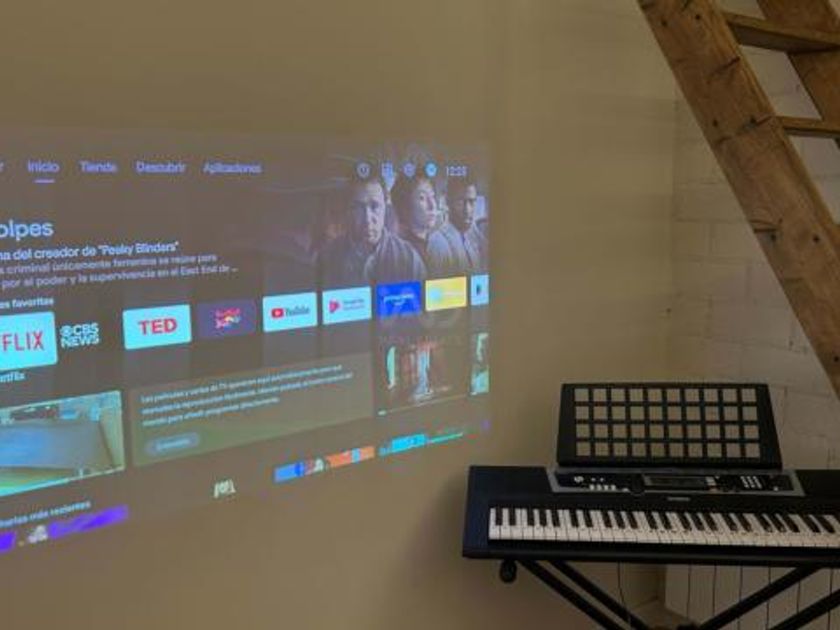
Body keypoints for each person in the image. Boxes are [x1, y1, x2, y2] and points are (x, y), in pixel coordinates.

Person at [319, 176, 426, 287]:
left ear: (385, 208)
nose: (367, 219)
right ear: (348, 210)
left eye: (375, 206)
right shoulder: (327, 258)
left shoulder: (409, 259)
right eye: (358, 208)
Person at [390, 174, 457, 278]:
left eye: (433, 196)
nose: (432, 206)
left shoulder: (437, 244)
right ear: (405, 205)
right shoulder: (400, 253)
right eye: (422, 198)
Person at [440, 178, 488, 274]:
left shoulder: (471, 237)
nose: (467, 210)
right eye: (461, 202)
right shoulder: (439, 243)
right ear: (448, 203)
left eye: (472, 202)